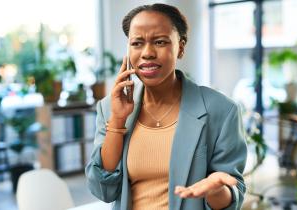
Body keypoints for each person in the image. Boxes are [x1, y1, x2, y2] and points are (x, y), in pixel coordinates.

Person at [85, 3, 247, 210]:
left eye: (160, 42)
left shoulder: (222, 110)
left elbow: (232, 199)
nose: (147, 53)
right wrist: (117, 120)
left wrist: (215, 191)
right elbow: (103, 191)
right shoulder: (109, 108)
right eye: (137, 43)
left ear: (180, 47)